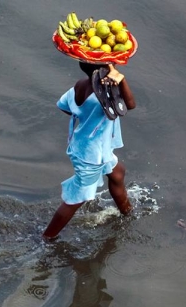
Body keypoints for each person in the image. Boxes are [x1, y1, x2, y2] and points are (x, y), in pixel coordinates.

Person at [43, 62, 136, 241]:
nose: (114, 63)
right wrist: (121, 80)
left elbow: (64, 105)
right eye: (110, 62)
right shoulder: (105, 92)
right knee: (76, 198)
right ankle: (47, 237)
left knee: (117, 173)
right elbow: (130, 105)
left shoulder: (80, 84)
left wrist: (86, 116)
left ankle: (128, 214)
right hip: (93, 154)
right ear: (104, 69)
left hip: (87, 145)